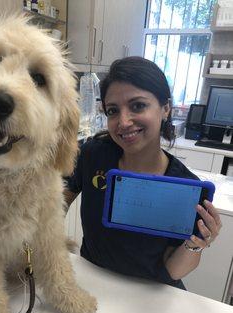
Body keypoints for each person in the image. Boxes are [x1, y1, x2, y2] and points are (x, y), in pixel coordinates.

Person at [64, 56, 222, 289]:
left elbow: (174, 269)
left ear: (165, 108)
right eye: (113, 111)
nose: (123, 121)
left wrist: (197, 242)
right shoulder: (93, 155)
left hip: (150, 294)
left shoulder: (183, 186)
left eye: (138, 106)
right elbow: (56, 203)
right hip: (93, 281)